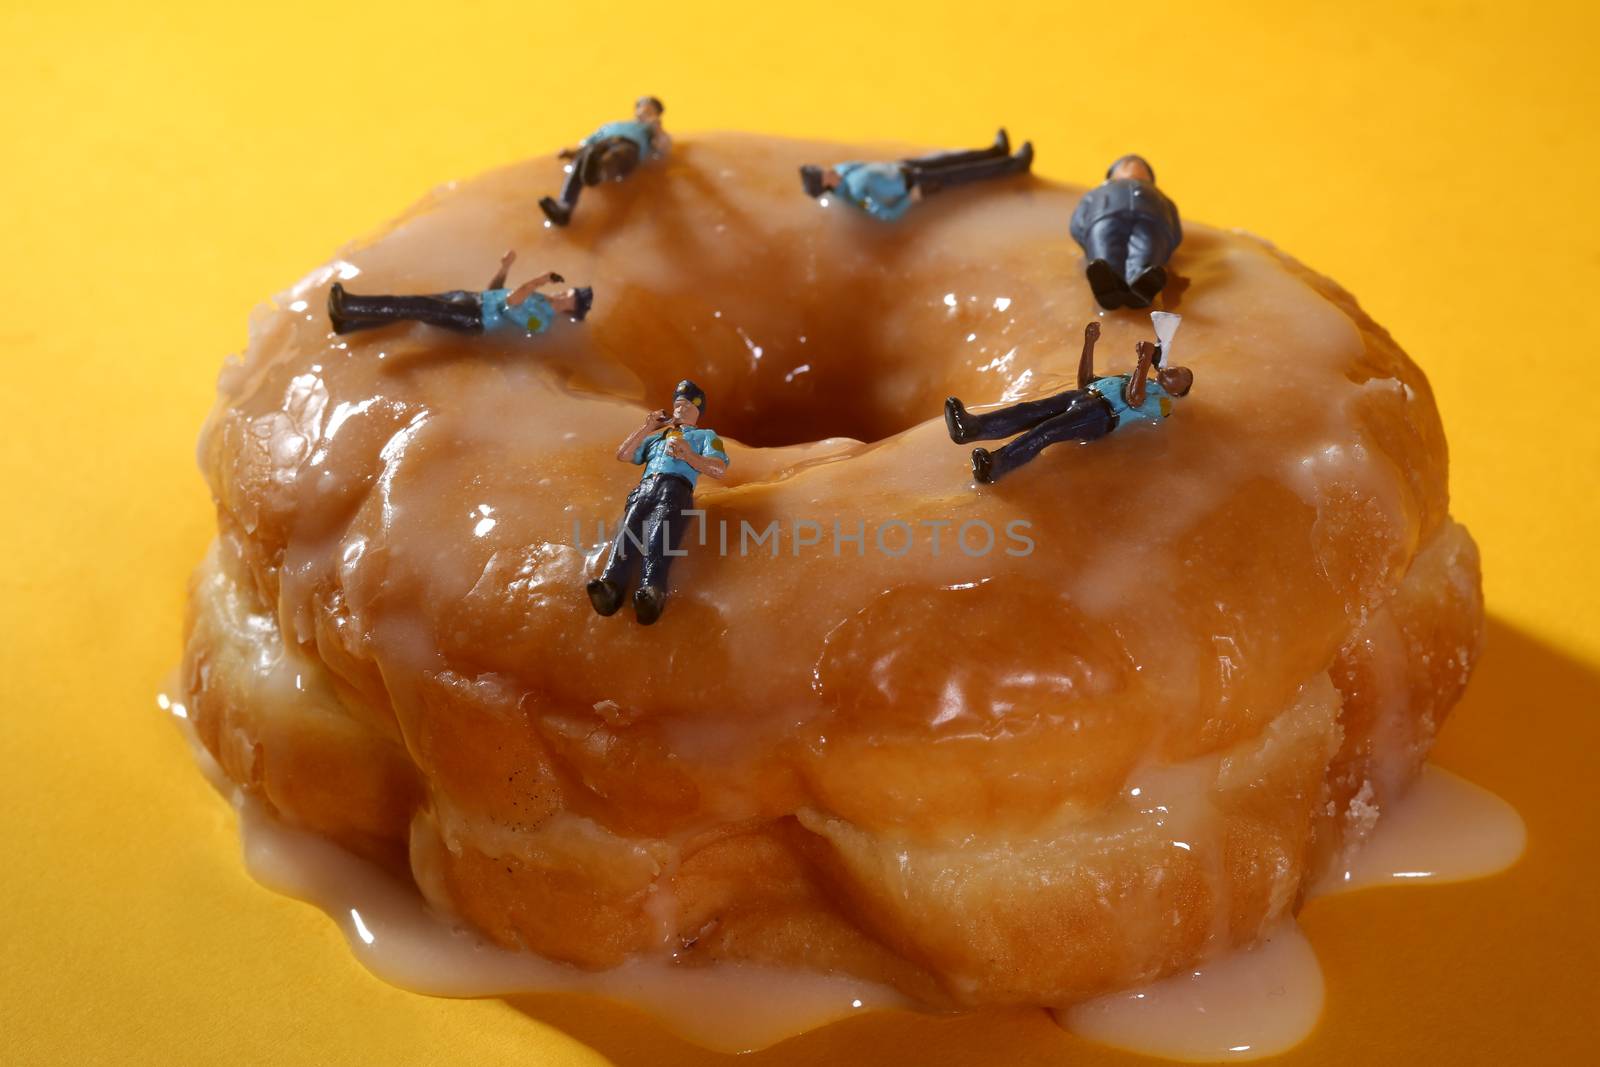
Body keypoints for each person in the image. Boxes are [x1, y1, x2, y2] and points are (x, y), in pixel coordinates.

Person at [944, 317, 1194, 483]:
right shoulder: (1131, 377)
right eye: (1175, 367)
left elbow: (1135, 400)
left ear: (1179, 392)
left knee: (1048, 430)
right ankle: (971, 427)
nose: (1172, 370)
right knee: (1029, 411)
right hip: (1083, 396)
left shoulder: (1163, 405)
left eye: (1180, 375)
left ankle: (996, 465)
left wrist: (1143, 361)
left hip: (1102, 415)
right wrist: (1089, 343)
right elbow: (1087, 380)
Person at [587, 380, 730, 625]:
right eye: (677, 405)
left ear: (698, 410)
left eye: (686, 406)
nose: (679, 410)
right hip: (645, 487)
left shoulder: (705, 436)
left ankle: (652, 592)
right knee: (627, 534)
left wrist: (688, 455)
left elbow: (718, 469)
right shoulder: (657, 438)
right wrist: (647, 427)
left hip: (676, 488)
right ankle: (611, 586)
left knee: (659, 540)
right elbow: (624, 454)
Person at [327, 250, 591, 336]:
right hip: (471, 299)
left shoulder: (541, 322)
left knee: (412, 306)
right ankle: (350, 323)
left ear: (572, 307)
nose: (565, 294)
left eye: (571, 296)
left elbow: (509, 306)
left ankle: (350, 307)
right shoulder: (542, 299)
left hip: (472, 318)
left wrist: (537, 282)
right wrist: (505, 268)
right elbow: (495, 294)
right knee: (411, 307)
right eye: (569, 290)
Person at [799, 130, 1033, 222]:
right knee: (965, 174)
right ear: (824, 183)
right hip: (911, 182)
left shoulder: (841, 168)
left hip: (903, 167)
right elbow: (884, 214)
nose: (824, 170)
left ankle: (994, 151)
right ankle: (1014, 165)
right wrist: (911, 198)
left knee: (952, 158)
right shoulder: (854, 194)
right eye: (820, 174)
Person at [1069, 154, 1182, 310]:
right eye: (1125, 168)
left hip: (1151, 222)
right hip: (1103, 219)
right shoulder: (1098, 192)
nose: (1132, 172)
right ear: (1111, 176)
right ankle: (1107, 284)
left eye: (1140, 169)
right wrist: (1085, 237)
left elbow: (1173, 218)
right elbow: (1080, 216)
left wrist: (1169, 241)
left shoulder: (1160, 196)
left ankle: (1141, 284)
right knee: (1104, 247)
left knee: (1147, 248)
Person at [539, 96, 671, 227]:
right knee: (582, 160)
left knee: (617, 155)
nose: (645, 110)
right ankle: (564, 207)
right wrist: (573, 153)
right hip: (599, 146)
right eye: (643, 106)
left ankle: (598, 172)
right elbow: (591, 139)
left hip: (629, 148)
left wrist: (657, 129)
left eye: (651, 109)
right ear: (637, 110)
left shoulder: (650, 131)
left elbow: (662, 151)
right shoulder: (614, 126)